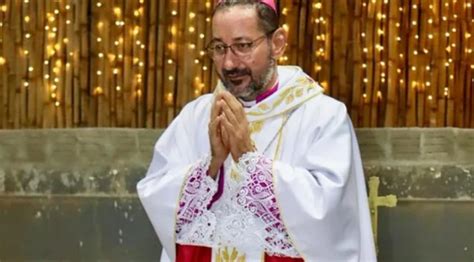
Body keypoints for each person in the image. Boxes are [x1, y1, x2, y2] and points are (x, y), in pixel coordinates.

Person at [137, 0, 376, 261]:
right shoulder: (195, 116)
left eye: (243, 46)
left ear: (278, 43)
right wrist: (211, 165)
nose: (228, 64)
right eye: (219, 48)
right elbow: (158, 195)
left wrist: (249, 159)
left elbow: (328, 215)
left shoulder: (322, 116)